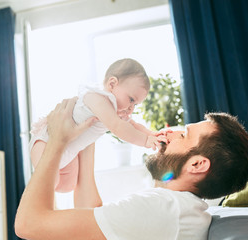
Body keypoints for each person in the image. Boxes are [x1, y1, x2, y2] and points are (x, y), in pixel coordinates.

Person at [15, 97, 248, 240]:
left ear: (197, 164)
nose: (169, 132)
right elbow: (92, 215)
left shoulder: (164, 208)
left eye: (183, 134)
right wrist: (89, 135)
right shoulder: (179, 208)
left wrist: (56, 142)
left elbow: (28, 225)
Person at [29, 58, 166, 192]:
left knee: (68, 185)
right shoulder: (97, 98)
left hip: (67, 151)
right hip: (45, 143)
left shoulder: (115, 111)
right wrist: (145, 141)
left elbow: (134, 125)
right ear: (112, 84)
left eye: (135, 104)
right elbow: (117, 127)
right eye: (131, 99)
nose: (131, 108)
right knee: (49, 182)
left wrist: (151, 134)